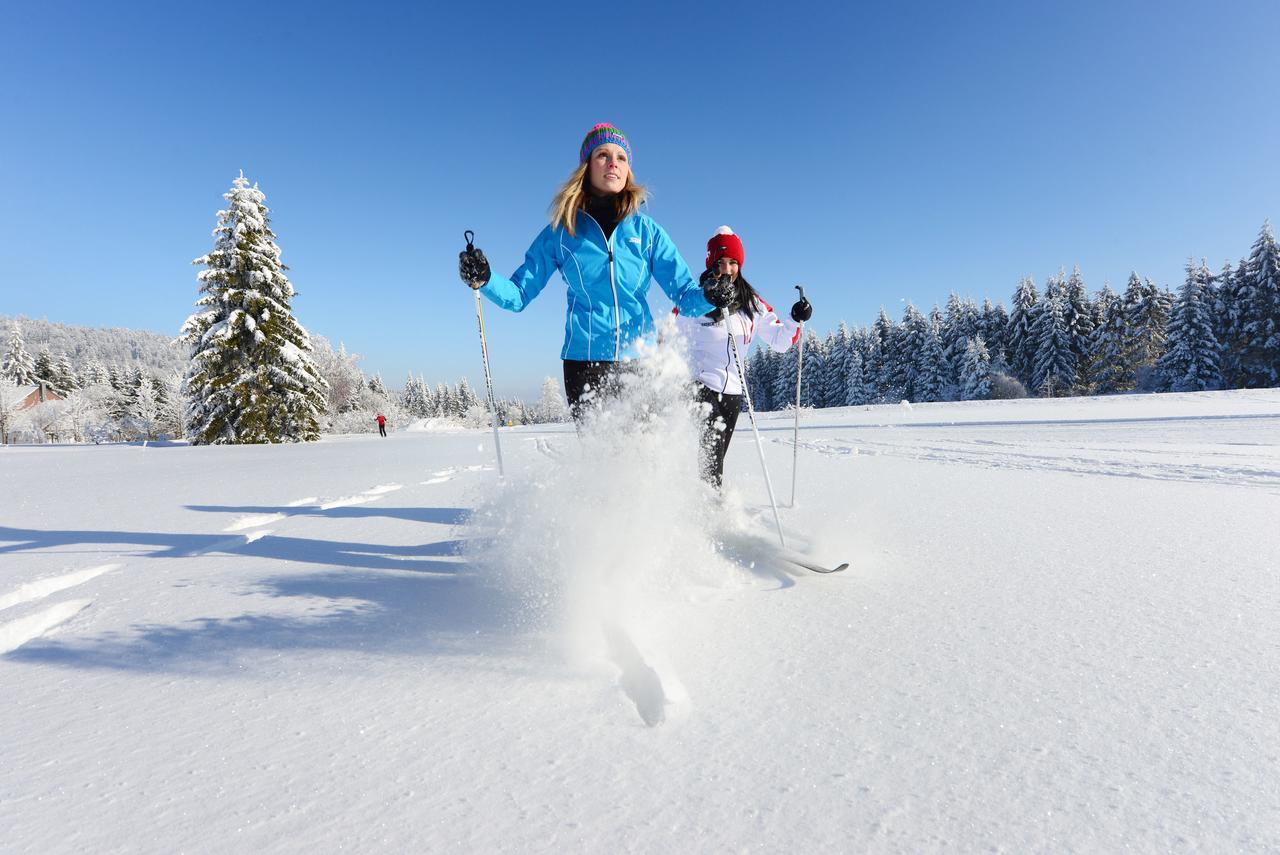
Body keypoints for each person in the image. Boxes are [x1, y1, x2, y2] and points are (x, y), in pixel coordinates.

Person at [458, 123, 715, 421]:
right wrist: (485, 279)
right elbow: (518, 295)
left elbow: (685, 296)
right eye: (603, 155)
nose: (613, 163)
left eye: (621, 157)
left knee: (644, 462)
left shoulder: (647, 232)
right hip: (585, 365)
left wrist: (712, 295)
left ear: (628, 170)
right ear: (587, 166)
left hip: (642, 363)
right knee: (605, 464)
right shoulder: (562, 231)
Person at [674, 226, 813, 489]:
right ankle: (710, 510)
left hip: (733, 391)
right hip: (698, 384)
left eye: (733, 262)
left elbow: (780, 340)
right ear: (711, 263)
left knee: (716, 455)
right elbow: (668, 335)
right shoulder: (694, 299)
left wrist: (796, 318)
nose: (727, 269)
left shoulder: (752, 303)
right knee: (711, 448)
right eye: (721, 262)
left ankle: (698, 499)